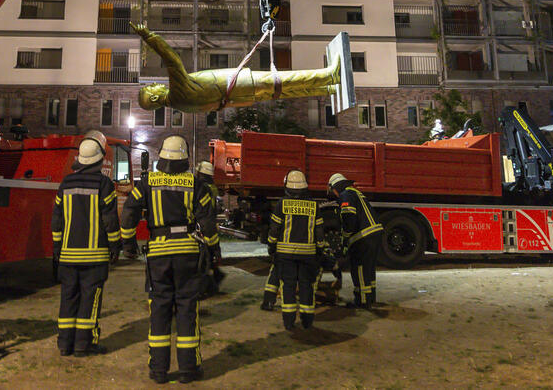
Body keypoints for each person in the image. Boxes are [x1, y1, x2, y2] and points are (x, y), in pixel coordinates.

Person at [120, 135, 220, 385]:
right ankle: (188, 369)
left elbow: (130, 211)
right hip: (187, 253)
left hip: (158, 254)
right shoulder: (196, 185)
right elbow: (207, 222)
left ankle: (158, 370)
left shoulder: (147, 183)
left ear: (162, 157)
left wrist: (128, 243)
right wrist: (213, 248)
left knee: (159, 310)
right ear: (185, 158)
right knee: (187, 309)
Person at [131, 22, 343, 113]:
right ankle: (327, 75)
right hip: (237, 86)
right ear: (156, 99)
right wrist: (149, 37)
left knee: (280, 91)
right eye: (152, 90)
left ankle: (326, 88)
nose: (154, 86)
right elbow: (172, 60)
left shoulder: (181, 105)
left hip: (235, 98)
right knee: (282, 80)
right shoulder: (178, 94)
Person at [50, 131, 120, 356]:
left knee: (68, 298)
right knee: (90, 300)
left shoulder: (65, 183)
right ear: (100, 160)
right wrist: (115, 246)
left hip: (68, 257)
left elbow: (57, 220)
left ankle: (64, 344)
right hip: (94, 258)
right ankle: (83, 345)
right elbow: (110, 220)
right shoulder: (104, 184)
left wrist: (56, 248)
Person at [267, 170, 327, 330]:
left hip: (285, 255)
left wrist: (271, 246)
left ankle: (289, 322)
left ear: (288, 187)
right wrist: (320, 249)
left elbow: (274, 229)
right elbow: (320, 232)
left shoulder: (282, 204)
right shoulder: (314, 205)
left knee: (288, 286)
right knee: (306, 286)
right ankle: (307, 321)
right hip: (308, 255)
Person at [327, 172, 382, 309]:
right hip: (373, 234)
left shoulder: (345, 195)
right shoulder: (355, 192)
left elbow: (349, 218)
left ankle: (362, 302)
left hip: (363, 237)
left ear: (335, 188)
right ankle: (370, 298)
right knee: (369, 269)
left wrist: (345, 238)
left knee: (359, 269)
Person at [195, 160, 226, 296]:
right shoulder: (211, 187)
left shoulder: (201, 188)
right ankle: (213, 285)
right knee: (210, 256)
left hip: (203, 225)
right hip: (210, 223)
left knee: (203, 259)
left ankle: (204, 289)